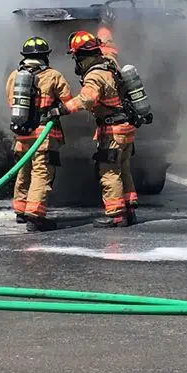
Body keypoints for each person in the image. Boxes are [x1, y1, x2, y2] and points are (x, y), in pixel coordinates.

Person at [46, 30, 138, 228]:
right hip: (126, 128)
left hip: (112, 131)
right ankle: (130, 210)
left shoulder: (94, 75)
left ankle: (116, 215)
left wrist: (61, 109)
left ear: (81, 56)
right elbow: (110, 48)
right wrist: (105, 30)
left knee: (109, 172)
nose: (76, 63)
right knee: (124, 169)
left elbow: (86, 99)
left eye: (76, 57)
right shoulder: (110, 63)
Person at [4, 36, 76, 232]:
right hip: (44, 135)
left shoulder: (14, 76)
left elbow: (11, 102)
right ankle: (35, 217)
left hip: (22, 134)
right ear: (45, 56)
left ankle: (21, 211)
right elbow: (68, 102)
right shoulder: (53, 75)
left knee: (23, 171)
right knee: (41, 174)